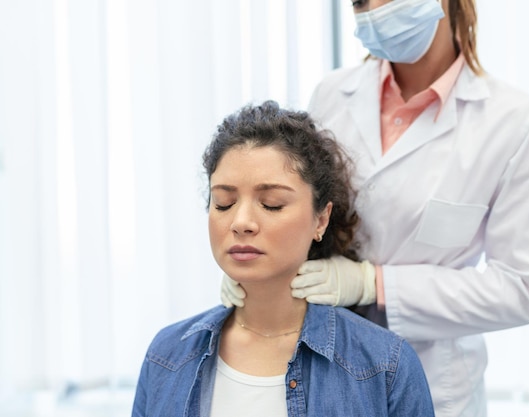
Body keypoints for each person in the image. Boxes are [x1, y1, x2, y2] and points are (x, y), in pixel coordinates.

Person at [221, 1, 529, 416]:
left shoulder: (515, 122)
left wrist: (374, 284)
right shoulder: (333, 94)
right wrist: (260, 277)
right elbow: (302, 214)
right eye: (362, 1)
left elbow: (522, 289)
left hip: (435, 380)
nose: (374, 9)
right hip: (321, 361)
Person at [131, 101, 435, 417]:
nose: (241, 222)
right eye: (223, 203)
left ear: (321, 220)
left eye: (272, 204)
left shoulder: (384, 366)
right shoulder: (166, 355)